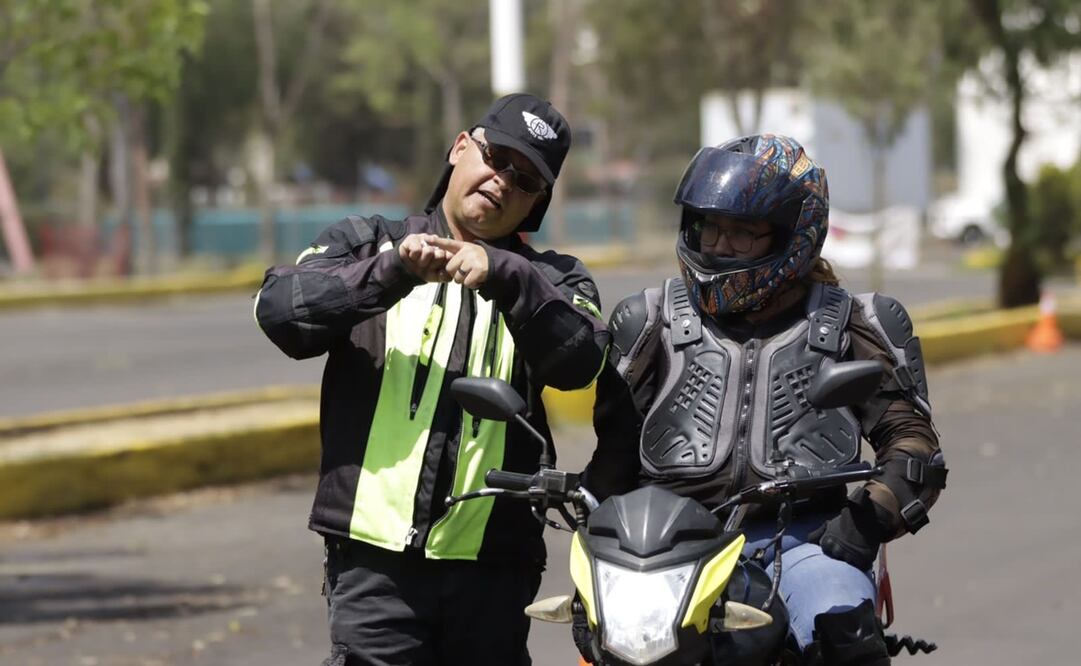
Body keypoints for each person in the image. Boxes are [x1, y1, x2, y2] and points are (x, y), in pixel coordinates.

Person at [255, 93, 609, 666]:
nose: (502, 181)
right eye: (496, 158)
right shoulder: (366, 242)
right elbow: (278, 312)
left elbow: (583, 359)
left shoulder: (551, 278)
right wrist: (392, 271)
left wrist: (508, 277)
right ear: (461, 146)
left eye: (525, 180)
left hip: (494, 572)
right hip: (374, 570)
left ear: (537, 203)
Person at [584, 134, 947, 665]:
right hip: (666, 547)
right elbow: (613, 457)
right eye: (709, 227)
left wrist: (863, 526)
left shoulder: (853, 322)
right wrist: (594, 546)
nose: (717, 246)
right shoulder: (649, 321)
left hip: (799, 541)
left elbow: (914, 447)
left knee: (843, 631)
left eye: (741, 233)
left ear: (793, 237)